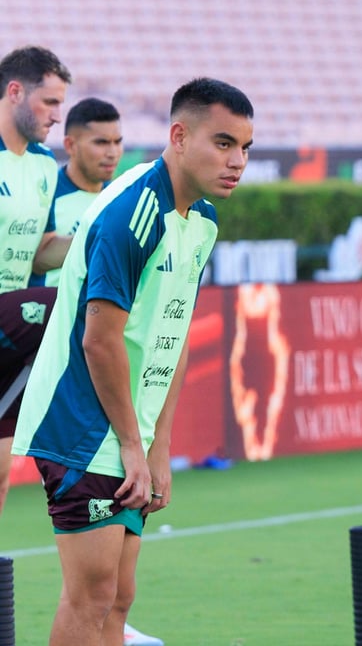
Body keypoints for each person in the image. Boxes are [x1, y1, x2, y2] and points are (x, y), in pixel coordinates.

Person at [12, 77, 253, 646]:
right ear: (179, 136)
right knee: (91, 597)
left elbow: (175, 330)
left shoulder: (203, 220)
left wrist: (158, 444)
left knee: (119, 597)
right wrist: (130, 444)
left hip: (127, 433)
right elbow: (100, 342)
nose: (237, 161)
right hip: (82, 426)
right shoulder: (134, 211)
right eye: (223, 143)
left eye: (245, 148)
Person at [0, 45, 72, 514]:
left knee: (0, 474)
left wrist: (95, 244)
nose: (57, 115)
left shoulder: (45, 164)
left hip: (15, 322)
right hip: (19, 315)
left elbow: (41, 252)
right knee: (71, 308)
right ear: (14, 92)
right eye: (49, 102)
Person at [32, 97, 124, 287]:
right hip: (46, 304)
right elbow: (35, 260)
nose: (112, 153)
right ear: (70, 145)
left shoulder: (122, 198)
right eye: (101, 143)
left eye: (117, 142)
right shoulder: (44, 193)